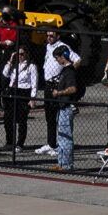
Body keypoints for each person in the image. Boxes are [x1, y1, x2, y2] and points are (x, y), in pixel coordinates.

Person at [42, 31, 81, 170]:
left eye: (58, 58)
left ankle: (67, 164)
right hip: (62, 106)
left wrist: (59, 92)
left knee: (66, 136)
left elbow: (73, 89)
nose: (57, 60)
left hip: (66, 105)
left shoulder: (69, 71)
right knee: (61, 135)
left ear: (63, 57)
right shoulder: (65, 71)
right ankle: (61, 162)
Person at [2, 43, 36, 151]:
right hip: (12, 90)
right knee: (8, 118)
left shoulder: (31, 66)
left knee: (22, 120)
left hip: (23, 92)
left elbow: (34, 83)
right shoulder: (14, 65)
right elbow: (5, 74)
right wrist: (10, 60)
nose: (20, 56)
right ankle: (9, 141)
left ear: (26, 54)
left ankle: (20, 143)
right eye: (18, 54)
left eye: (22, 54)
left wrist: (32, 98)